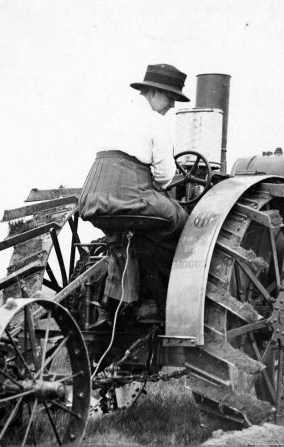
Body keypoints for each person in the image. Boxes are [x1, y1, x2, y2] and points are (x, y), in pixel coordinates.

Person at [77, 63, 191, 318]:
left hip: (93, 197)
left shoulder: (116, 114)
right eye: (170, 97)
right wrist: (157, 188)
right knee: (179, 220)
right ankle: (156, 300)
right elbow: (164, 174)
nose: (171, 105)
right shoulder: (156, 121)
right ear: (152, 92)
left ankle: (117, 299)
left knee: (125, 234)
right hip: (127, 196)